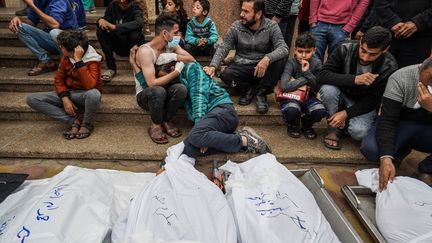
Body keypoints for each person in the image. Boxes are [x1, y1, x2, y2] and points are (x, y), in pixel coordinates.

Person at [316, 26, 398, 150]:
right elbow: (322, 76)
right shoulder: (345, 48)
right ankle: (334, 128)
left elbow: (374, 101)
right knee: (327, 90)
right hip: (341, 94)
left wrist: (346, 114)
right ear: (360, 41)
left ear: (385, 49)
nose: (365, 57)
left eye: (373, 54)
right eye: (363, 50)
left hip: (363, 103)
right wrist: (354, 79)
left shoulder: (389, 66)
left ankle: (344, 123)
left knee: (359, 133)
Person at [204, 0, 288, 114]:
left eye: (246, 11)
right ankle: (247, 90)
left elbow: (283, 48)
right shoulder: (236, 26)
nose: (241, 14)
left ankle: (261, 93)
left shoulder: (271, 26)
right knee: (226, 75)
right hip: (242, 67)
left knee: (281, 59)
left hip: (263, 69)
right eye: (241, 10)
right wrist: (213, 66)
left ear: (258, 14)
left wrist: (267, 58)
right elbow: (224, 47)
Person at [361, 58, 432, 191]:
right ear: (421, 68)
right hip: (401, 124)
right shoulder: (401, 78)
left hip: (427, 130)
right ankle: (399, 149)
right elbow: (387, 120)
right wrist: (386, 158)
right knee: (372, 150)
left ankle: (425, 169)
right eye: (431, 77)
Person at [180, 62, 272, 158]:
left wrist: (201, 131)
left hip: (222, 111)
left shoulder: (192, 67)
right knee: (187, 150)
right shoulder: (179, 81)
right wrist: (204, 138)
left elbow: (199, 95)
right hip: (213, 123)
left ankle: (246, 140)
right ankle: (237, 139)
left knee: (196, 136)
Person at [129, 12, 192, 144]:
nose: (178, 35)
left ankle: (166, 119)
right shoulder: (145, 51)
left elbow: (191, 59)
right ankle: (156, 125)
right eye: (175, 32)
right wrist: (175, 73)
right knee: (158, 90)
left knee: (181, 89)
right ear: (165, 33)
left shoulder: (171, 45)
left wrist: (173, 56)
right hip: (147, 95)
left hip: (165, 90)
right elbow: (151, 83)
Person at [26, 30, 103, 139]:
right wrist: (65, 98)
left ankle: (87, 124)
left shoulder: (93, 60)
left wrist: (78, 62)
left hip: (85, 96)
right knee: (32, 99)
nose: (61, 49)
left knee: (94, 94)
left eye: (62, 47)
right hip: (69, 93)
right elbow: (59, 79)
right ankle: (74, 121)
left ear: (72, 52)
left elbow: (90, 85)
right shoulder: (66, 57)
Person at [8, 0, 79, 76]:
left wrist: (32, 5)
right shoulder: (38, 1)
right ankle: (47, 62)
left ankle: (66, 62)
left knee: (54, 32)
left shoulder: (59, 1)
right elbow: (31, 22)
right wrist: (18, 20)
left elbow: (55, 25)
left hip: (70, 42)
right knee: (19, 27)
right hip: (52, 41)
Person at [279, 33, 326, 139]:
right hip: (291, 97)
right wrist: (307, 77)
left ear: (314, 50)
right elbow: (284, 86)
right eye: (300, 51)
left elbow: (319, 87)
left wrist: (307, 73)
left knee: (320, 110)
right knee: (292, 109)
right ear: (295, 50)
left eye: (308, 52)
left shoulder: (317, 63)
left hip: (310, 97)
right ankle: (292, 124)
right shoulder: (291, 63)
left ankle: (307, 124)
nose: (303, 56)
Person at [97, 0, 145, 82]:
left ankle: (137, 66)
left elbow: (139, 22)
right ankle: (111, 68)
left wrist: (115, 27)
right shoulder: (112, 5)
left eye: (125, 2)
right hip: (117, 44)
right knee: (101, 31)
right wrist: (100, 20)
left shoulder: (136, 8)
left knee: (135, 33)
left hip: (132, 45)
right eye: (120, 2)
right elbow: (106, 20)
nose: (122, 2)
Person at [374, 0, 432, 68]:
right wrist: (391, 21)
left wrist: (418, 22)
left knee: (409, 74)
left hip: (420, 37)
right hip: (387, 34)